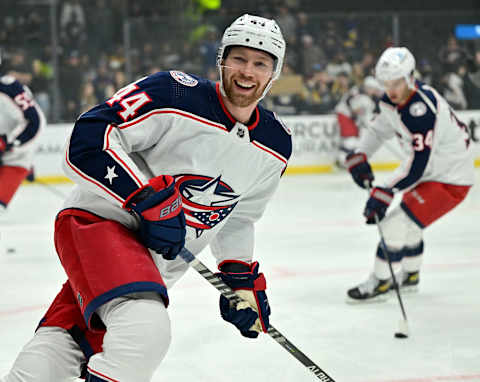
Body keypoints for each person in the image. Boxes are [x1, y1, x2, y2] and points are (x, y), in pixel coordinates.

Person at [1, 14, 291, 382]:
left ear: (274, 72)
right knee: (144, 332)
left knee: (72, 338)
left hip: (149, 264)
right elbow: (90, 137)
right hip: (99, 224)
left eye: (261, 63)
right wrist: (145, 198)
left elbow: (239, 216)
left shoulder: (276, 145)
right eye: (239, 58)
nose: (247, 72)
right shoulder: (174, 93)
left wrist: (238, 275)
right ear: (221, 59)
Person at [345, 47, 474, 302]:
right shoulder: (392, 100)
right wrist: (360, 154)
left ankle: (381, 282)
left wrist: (385, 189)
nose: (390, 90)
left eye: (396, 83)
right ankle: (411, 276)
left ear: (410, 77)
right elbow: (380, 128)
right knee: (411, 225)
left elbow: (419, 164)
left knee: (394, 225)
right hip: (436, 174)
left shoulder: (421, 111)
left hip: (450, 180)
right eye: (386, 83)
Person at [0, 48, 45, 218]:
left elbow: (35, 122)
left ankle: (26, 166)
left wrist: (10, 143)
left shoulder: (9, 88)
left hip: (16, 157)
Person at [334, 75, 384, 167]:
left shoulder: (363, 95)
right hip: (345, 115)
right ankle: (341, 161)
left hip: (349, 116)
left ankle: (342, 160)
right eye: (373, 89)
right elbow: (355, 109)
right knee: (350, 140)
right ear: (368, 87)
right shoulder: (360, 95)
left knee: (354, 140)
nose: (374, 92)